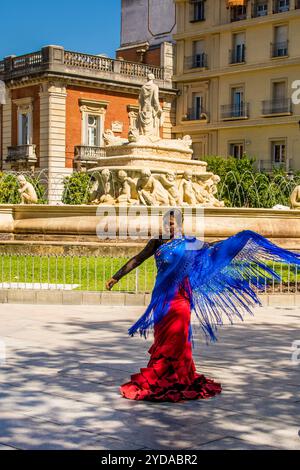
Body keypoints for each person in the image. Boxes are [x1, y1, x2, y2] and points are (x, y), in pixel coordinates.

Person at [106, 209, 300, 403]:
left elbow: (213, 249)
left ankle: (180, 377)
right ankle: (163, 373)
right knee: (162, 338)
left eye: (172, 224)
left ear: (180, 225)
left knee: (179, 337)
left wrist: (240, 239)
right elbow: (137, 259)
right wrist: (116, 277)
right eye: (166, 224)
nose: (168, 227)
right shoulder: (157, 242)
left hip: (181, 298)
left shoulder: (191, 243)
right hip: (162, 298)